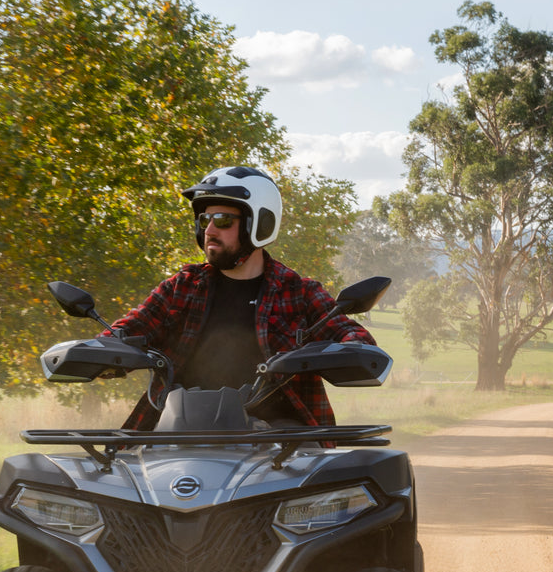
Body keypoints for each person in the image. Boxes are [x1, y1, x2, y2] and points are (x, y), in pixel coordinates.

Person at [102, 165, 375, 430]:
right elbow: (126, 330)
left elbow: (354, 338)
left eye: (222, 220)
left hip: (282, 446)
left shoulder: (299, 293)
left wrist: (339, 353)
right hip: (177, 438)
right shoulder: (182, 288)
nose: (209, 230)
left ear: (258, 224)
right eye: (203, 220)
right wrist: (97, 351)